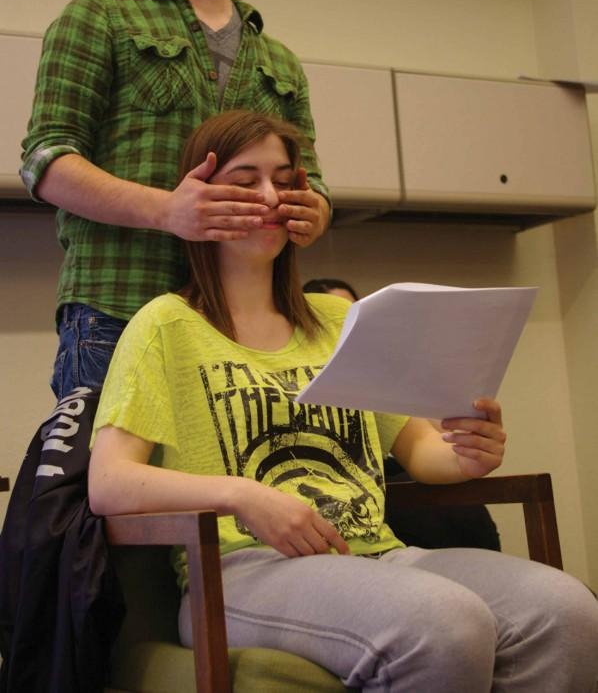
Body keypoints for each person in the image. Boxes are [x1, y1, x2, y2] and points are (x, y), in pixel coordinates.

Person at [88, 110, 598, 693]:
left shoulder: (338, 320)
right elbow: (110, 482)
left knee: (569, 611)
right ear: (201, 196)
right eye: (245, 179)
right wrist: (244, 495)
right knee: (444, 623)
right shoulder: (166, 326)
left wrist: (468, 452)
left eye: (284, 179)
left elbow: (419, 448)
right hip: (242, 572)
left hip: (376, 555)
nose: (270, 196)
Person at [20, 0, 330, 401]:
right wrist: (169, 210)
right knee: (121, 490)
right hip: (120, 310)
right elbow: (45, 159)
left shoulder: (277, 57)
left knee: (238, 490)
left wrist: (315, 211)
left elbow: (313, 181)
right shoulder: (99, 15)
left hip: (245, 324)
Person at [303, 277, 501, 551]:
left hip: (392, 468)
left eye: (356, 315)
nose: (350, 329)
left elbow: (426, 438)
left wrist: (469, 447)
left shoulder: (376, 366)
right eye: (343, 319)